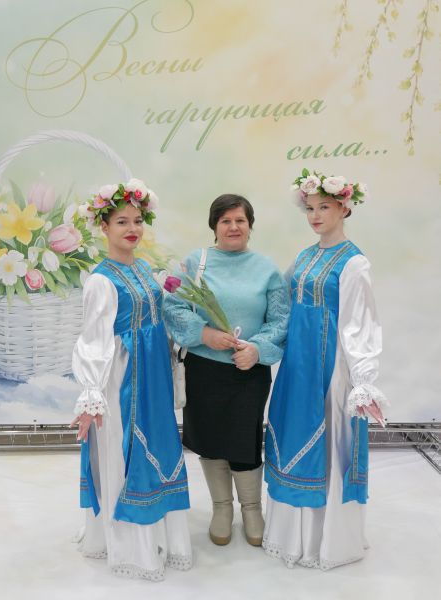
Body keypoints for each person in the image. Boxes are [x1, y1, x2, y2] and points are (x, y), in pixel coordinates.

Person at [263, 170, 387, 570]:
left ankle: (325, 540)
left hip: (329, 371)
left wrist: (363, 381)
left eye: (325, 207)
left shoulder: (354, 263)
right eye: (311, 208)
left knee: (328, 443)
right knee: (292, 433)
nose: (315, 216)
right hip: (296, 368)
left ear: (344, 208)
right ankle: (289, 535)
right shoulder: (305, 256)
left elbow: (359, 324)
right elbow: (283, 305)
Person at [70, 180, 191, 582]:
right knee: (126, 449)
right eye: (121, 221)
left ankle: (159, 533)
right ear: (103, 227)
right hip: (123, 378)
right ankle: (131, 547)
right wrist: (91, 394)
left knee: (159, 445)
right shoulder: (101, 280)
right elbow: (94, 340)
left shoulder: (142, 268)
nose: (132, 228)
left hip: (153, 374)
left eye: (137, 221)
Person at [163, 194, 289, 547]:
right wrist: (204, 334)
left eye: (240, 220)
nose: (233, 227)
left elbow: (280, 320)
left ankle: (252, 509)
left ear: (250, 225)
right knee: (210, 439)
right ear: (214, 226)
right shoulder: (195, 263)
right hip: (203, 370)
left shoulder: (267, 269)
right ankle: (221, 507)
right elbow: (172, 308)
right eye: (225, 221)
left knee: (245, 441)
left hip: (248, 370)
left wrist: (257, 349)